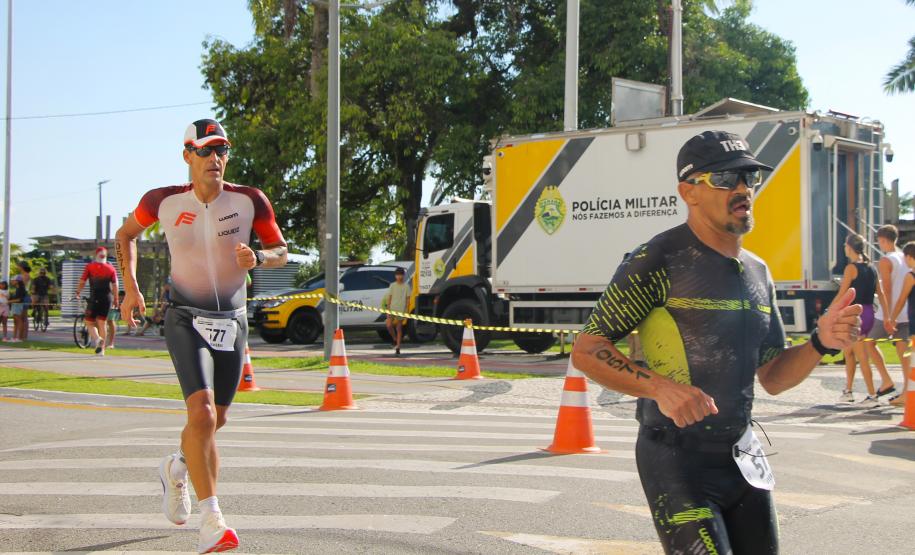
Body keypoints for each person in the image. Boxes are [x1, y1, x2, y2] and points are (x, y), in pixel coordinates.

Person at [571, 130, 860, 555]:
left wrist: (820, 342)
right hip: (676, 459)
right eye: (726, 179)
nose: (743, 189)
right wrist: (659, 388)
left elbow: (774, 377)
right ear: (688, 192)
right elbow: (587, 349)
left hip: (742, 458)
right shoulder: (657, 258)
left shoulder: (759, 272)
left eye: (750, 178)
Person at [116, 118, 287, 554]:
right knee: (205, 415)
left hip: (232, 318)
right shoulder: (163, 202)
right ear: (187, 154)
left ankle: (176, 467)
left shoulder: (250, 200)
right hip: (184, 317)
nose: (216, 158)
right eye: (206, 150)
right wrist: (131, 289)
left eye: (222, 150)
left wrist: (260, 256)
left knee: (213, 422)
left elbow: (282, 251)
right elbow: (125, 235)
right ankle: (213, 520)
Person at [833, 234, 887, 408]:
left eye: (845, 246)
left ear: (849, 247)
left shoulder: (851, 268)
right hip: (869, 312)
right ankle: (848, 392)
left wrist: (830, 311)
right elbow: (881, 293)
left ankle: (872, 395)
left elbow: (842, 293)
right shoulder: (872, 267)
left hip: (857, 314)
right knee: (848, 353)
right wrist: (887, 315)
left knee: (862, 356)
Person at [868, 224, 909, 406]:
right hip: (906, 311)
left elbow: (887, 290)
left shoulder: (886, 261)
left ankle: (886, 380)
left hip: (890, 312)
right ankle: (907, 391)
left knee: (868, 343)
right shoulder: (905, 257)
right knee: (904, 354)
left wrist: (888, 317)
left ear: (883, 240)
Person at [74, 247, 119, 356]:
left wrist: (78, 292)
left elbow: (82, 281)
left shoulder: (90, 267)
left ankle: (98, 339)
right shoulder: (111, 269)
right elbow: (115, 285)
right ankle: (102, 350)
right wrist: (116, 299)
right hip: (107, 298)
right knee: (102, 322)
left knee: (89, 322)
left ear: (96, 255)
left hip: (94, 298)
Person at [888, 241, 915, 404]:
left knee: (913, 361)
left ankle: (907, 395)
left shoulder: (910, 276)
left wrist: (892, 319)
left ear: (909, 257)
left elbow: (901, 300)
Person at [382, 267, 410, 356]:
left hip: (401, 310)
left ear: (403, 276)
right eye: (398, 275)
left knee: (399, 328)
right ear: (395, 276)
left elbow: (408, 299)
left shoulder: (406, 286)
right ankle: (394, 339)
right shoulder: (392, 285)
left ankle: (398, 347)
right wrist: (388, 309)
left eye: (401, 275)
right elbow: (389, 297)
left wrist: (406, 310)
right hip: (392, 309)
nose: (399, 277)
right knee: (389, 325)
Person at [7, 275, 26, 342]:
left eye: (13, 280)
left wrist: (9, 301)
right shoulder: (17, 288)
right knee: (15, 322)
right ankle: (14, 337)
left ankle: (19, 338)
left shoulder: (21, 289)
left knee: (19, 321)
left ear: (17, 281)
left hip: (18, 305)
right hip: (15, 305)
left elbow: (19, 300)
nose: (11, 282)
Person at [16, 261, 31, 341]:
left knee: (23, 317)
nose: (17, 267)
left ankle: (23, 336)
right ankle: (22, 336)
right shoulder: (21, 275)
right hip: (22, 295)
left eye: (18, 266)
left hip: (24, 296)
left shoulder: (26, 275)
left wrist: (17, 283)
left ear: (21, 267)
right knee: (22, 317)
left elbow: (23, 285)